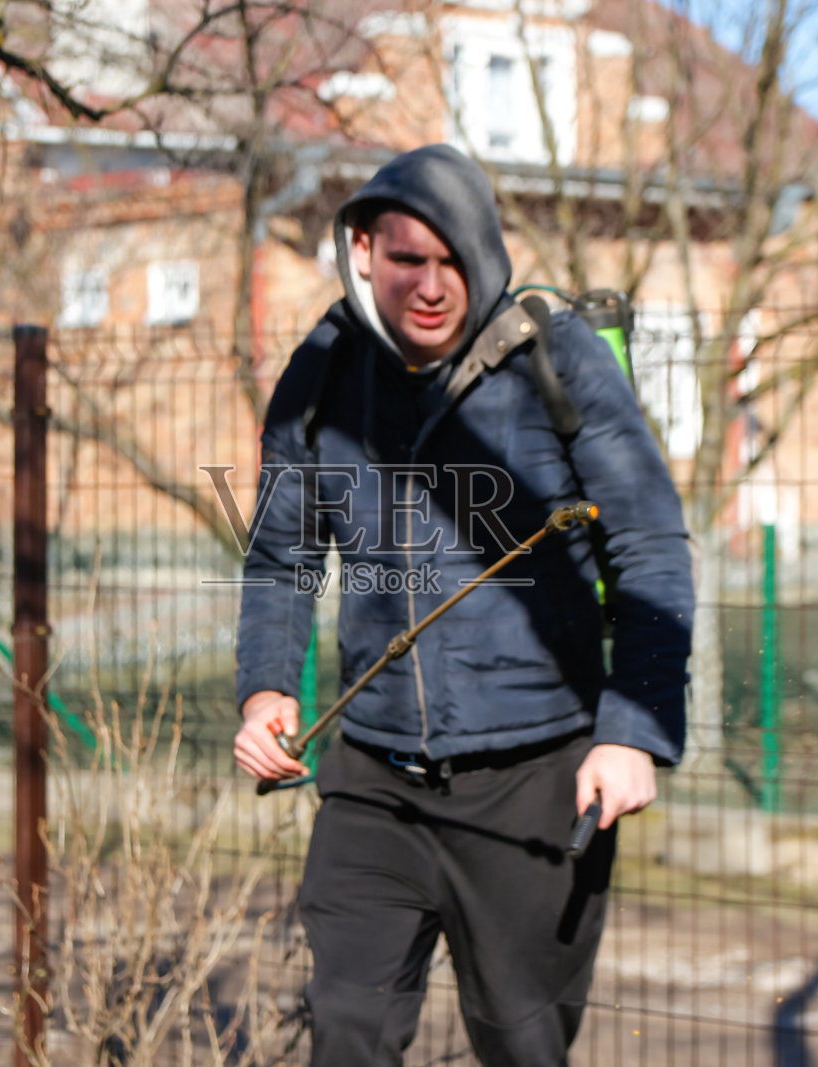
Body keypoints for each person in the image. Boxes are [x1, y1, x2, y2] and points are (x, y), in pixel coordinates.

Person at [233, 144, 693, 1067]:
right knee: (347, 1031)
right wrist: (265, 688)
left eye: (456, 260)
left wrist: (633, 730)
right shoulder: (325, 371)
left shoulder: (553, 358)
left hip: (535, 781)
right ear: (364, 250)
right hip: (373, 778)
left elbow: (648, 545)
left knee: (523, 1047)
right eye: (410, 259)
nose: (434, 286)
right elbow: (282, 553)